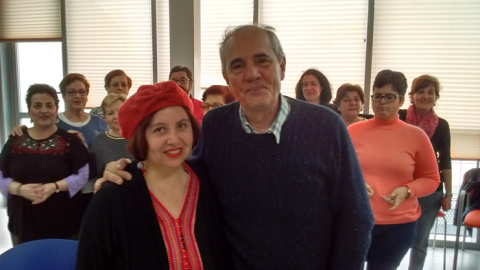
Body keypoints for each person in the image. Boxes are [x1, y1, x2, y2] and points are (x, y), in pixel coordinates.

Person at [99, 24, 374, 269]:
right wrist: (128, 170)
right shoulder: (215, 125)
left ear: (282, 65)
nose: (252, 73)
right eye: (238, 65)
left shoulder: (326, 127)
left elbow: (356, 218)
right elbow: (179, 174)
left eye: (262, 60)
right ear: (227, 76)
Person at [76, 81, 233, 269]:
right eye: (159, 129)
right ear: (141, 136)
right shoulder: (112, 198)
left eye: (182, 125)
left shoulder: (209, 182)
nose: (174, 139)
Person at [348, 69, 440, 270]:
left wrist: (407, 190)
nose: (382, 102)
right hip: (356, 221)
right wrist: (354, 182)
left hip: (398, 226)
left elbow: (432, 179)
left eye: (389, 97)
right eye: (377, 96)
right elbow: (338, 171)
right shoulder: (353, 131)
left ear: (401, 101)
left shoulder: (416, 136)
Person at [0, 84, 89, 245]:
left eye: (49, 105)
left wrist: (54, 187)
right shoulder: (15, 140)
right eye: (37, 106)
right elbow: (1, 174)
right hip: (23, 222)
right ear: (29, 111)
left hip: (64, 222)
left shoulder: (70, 140)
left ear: (56, 110)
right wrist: (19, 189)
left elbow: (84, 174)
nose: (44, 110)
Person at [404, 75, 452, 270]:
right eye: (420, 91)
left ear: (436, 96)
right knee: (387, 236)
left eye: (430, 92)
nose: (425, 96)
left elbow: (446, 160)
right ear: (412, 95)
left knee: (419, 243)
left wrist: (449, 193)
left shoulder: (441, 125)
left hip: (429, 191)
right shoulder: (399, 117)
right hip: (397, 187)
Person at [88, 93, 132, 192]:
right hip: (107, 195)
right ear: (104, 117)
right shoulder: (99, 141)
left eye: (120, 111)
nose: (116, 116)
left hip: (137, 193)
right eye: (110, 113)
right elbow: (91, 172)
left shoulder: (139, 138)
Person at [57, 73, 108, 148]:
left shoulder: (99, 123)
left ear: (87, 95)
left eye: (82, 92)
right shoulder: (54, 123)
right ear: (63, 96)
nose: (77, 96)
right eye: (72, 92)